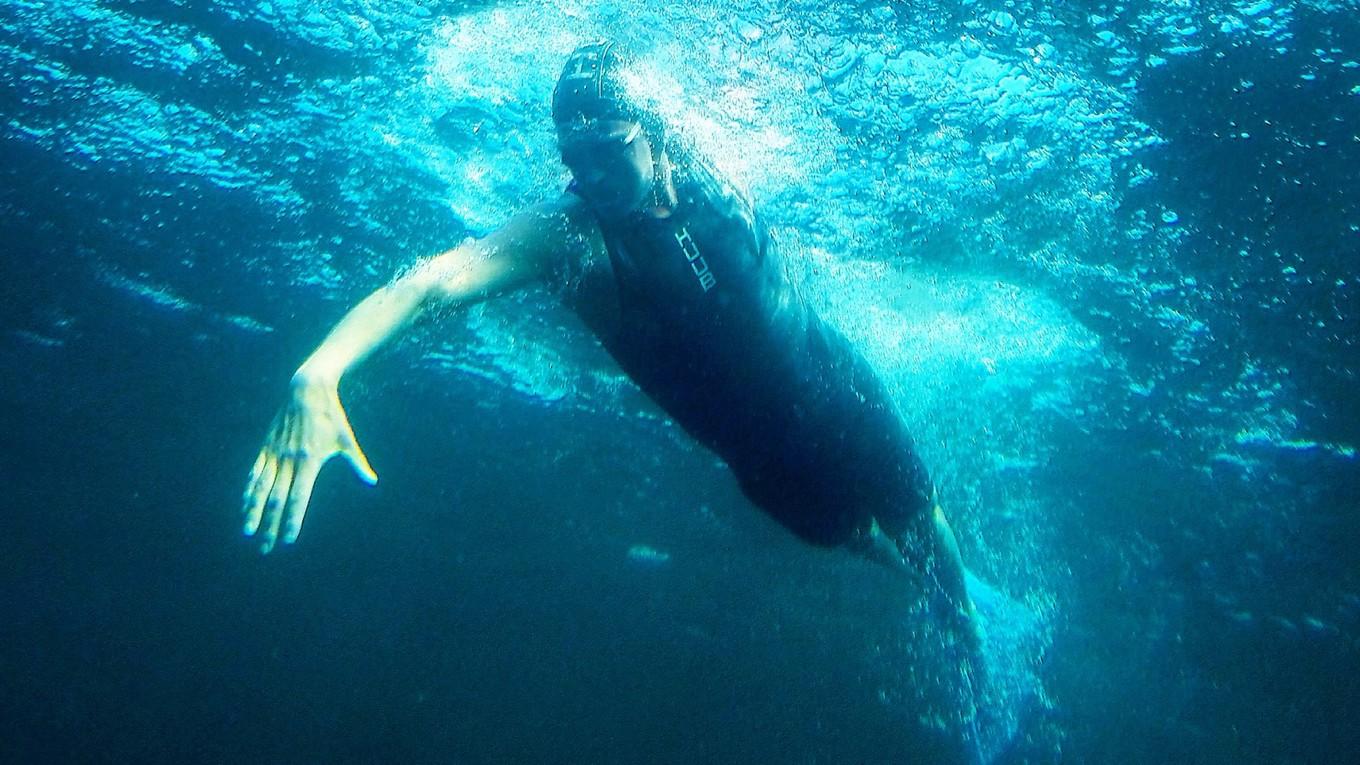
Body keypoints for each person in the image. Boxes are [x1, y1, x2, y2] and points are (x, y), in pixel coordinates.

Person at [242, 41, 983, 753]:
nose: (592, 175)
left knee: (925, 520)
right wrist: (321, 369)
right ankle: (938, 594)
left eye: (610, 148)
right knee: (860, 540)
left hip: (843, 393)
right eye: (574, 158)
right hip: (764, 462)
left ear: (654, 128)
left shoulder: (698, 152)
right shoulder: (568, 239)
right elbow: (435, 280)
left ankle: (975, 648)